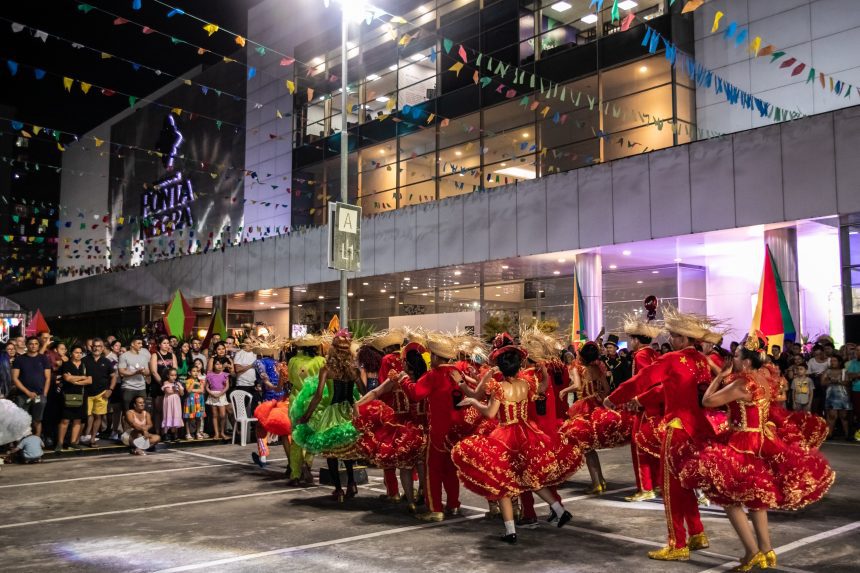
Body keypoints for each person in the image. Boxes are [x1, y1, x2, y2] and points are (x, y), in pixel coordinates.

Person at [685, 333, 835, 571]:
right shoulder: (764, 377)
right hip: (764, 438)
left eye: (735, 356)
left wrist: (719, 377)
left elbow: (708, 401)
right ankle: (767, 550)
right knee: (756, 500)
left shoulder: (741, 384)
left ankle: (751, 552)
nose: (731, 359)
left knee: (730, 499)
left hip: (743, 440)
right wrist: (720, 370)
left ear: (745, 362)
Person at [604, 308, 717, 562]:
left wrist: (614, 398)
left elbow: (641, 380)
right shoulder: (701, 361)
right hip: (697, 428)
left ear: (685, 340)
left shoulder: (672, 360)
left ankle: (677, 543)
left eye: (676, 336)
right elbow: (668, 390)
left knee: (671, 488)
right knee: (687, 482)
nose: (671, 340)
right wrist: (642, 400)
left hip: (677, 428)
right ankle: (697, 533)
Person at [452, 338, 578, 544]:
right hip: (527, 432)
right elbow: (543, 387)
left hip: (505, 435)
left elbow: (491, 413)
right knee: (530, 477)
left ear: (501, 367)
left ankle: (510, 531)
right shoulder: (527, 383)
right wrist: (544, 373)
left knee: (502, 483)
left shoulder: (500, 387)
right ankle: (559, 509)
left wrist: (474, 401)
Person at [398, 335, 467, 522]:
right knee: (451, 470)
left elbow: (415, 394)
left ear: (436, 357)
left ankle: (435, 508)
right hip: (456, 430)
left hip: (438, 431)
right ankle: (453, 505)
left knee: (433, 471)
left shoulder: (433, 375)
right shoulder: (458, 373)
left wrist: (404, 380)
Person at [354, 341, 429, 512]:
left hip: (402, 428)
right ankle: (423, 495)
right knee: (422, 464)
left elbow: (376, 392)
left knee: (405, 466)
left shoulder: (397, 377)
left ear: (406, 363)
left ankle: (410, 501)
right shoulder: (426, 377)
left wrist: (358, 404)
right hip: (424, 427)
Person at [294, 330, 362, 502]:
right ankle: (352, 483)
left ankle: (338, 490)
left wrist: (306, 416)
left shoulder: (327, 369)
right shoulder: (354, 369)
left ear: (333, 349)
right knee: (347, 451)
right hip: (349, 411)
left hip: (332, 413)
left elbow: (317, 396)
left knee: (331, 452)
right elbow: (363, 391)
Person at [621, 316, 662, 502]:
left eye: (632, 339)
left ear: (637, 340)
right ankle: (658, 484)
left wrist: (637, 399)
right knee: (652, 446)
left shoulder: (641, 355)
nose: (631, 342)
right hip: (655, 406)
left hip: (644, 407)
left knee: (639, 446)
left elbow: (647, 380)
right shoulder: (654, 353)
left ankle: (646, 488)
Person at [285, 336, 325, 486]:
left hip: (296, 401)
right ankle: (307, 463)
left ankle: (295, 474)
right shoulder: (321, 361)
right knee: (313, 435)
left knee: (296, 438)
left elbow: (290, 379)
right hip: (314, 401)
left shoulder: (293, 361)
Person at [11, 336, 52, 437]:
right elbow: (15, 378)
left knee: (37, 420)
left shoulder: (43, 358)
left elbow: (48, 378)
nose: (33, 346)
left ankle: (36, 441)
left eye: (36, 344)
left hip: (39, 395)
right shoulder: (19, 359)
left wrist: (44, 394)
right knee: (21, 421)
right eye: (31, 344)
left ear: (39, 345)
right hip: (23, 395)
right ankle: (20, 443)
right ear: (27, 345)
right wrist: (27, 392)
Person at [56, 345, 92, 451]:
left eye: (80, 353)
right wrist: (82, 377)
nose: (78, 354)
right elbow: (67, 378)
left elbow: (89, 380)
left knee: (78, 420)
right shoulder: (66, 364)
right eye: (76, 352)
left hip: (82, 394)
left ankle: (73, 442)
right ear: (71, 353)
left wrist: (75, 380)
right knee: (65, 420)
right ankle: (60, 442)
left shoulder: (85, 365)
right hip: (67, 394)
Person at [81, 338, 116, 447]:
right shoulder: (84, 360)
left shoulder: (107, 361)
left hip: (102, 393)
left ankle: (92, 439)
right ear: (91, 347)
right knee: (87, 416)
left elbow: (113, 376)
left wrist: (110, 389)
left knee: (98, 416)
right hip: (86, 392)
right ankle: (83, 436)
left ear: (102, 348)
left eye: (99, 346)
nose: (96, 348)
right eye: (94, 346)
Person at [149, 337, 177, 435]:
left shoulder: (172, 355)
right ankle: (158, 431)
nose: (167, 345)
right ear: (159, 345)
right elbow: (153, 371)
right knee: (158, 410)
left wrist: (170, 384)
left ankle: (168, 431)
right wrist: (163, 384)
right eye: (164, 343)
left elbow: (175, 369)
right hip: (158, 385)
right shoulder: (155, 355)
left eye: (168, 343)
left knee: (169, 409)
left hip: (170, 386)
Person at [117, 337, 151, 413]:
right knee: (127, 412)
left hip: (141, 387)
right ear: (132, 344)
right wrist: (135, 372)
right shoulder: (124, 356)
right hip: (128, 387)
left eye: (141, 343)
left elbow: (148, 372)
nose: (141, 345)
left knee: (141, 411)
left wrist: (143, 372)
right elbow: (121, 371)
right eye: (138, 343)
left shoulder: (143, 356)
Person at [822, 355, 851, 440]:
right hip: (831, 395)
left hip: (843, 396)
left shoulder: (844, 371)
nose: (832, 363)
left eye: (834, 361)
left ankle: (847, 434)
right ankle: (829, 434)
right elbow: (822, 383)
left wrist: (838, 381)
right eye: (831, 361)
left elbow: (848, 383)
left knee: (844, 416)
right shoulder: (827, 371)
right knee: (831, 415)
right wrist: (830, 381)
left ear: (839, 362)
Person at [205, 359, 230, 440]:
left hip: (221, 395)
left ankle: (222, 432)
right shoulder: (210, 375)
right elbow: (207, 387)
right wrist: (211, 393)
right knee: (215, 415)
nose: (219, 366)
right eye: (217, 364)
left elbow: (227, 386)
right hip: (213, 395)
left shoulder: (225, 374)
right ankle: (217, 433)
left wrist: (220, 393)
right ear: (213, 366)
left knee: (222, 415)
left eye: (220, 364)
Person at [184, 363, 206, 439]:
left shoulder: (201, 381)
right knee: (189, 418)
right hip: (190, 402)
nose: (196, 373)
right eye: (193, 371)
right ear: (189, 372)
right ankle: (188, 433)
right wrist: (193, 383)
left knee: (198, 417)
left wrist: (194, 390)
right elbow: (188, 391)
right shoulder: (188, 381)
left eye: (197, 371)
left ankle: (197, 432)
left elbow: (202, 390)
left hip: (199, 401)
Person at [161, 368, 185, 441]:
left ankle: (174, 434)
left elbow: (182, 393)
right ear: (168, 375)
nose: (174, 377)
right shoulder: (166, 383)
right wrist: (175, 389)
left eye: (175, 375)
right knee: (168, 414)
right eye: (172, 375)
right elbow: (168, 391)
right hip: (169, 401)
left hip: (176, 401)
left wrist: (179, 389)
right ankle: (165, 434)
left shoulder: (178, 383)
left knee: (175, 415)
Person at [806, 344, 830, 415]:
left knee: (825, 402)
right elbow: (807, 373)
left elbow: (832, 370)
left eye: (819, 354)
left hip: (826, 383)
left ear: (823, 352)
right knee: (816, 404)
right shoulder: (811, 360)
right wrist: (814, 374)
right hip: (815, 383)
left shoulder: (829, 360)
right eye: (816, 354)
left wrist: (824, 374)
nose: (818, 356)